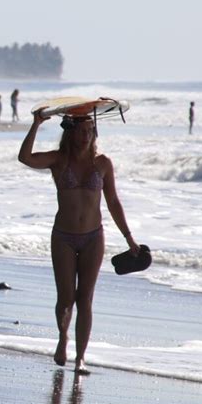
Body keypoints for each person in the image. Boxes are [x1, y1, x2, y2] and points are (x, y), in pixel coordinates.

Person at [18, 111, 140, 375]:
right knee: (66, 299)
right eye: (81, 131)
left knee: (85, 299)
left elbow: (113, 202)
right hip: (63, 236)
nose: (85, 136)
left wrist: (129, 238)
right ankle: (63, 339)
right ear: (71, 133)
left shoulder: (103, 163)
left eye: (90, 130)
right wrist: (36, 124)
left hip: (93, 237)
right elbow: (25, 157)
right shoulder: (59, 160)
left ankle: (81, 357)